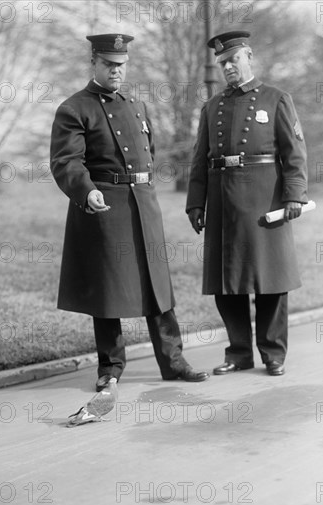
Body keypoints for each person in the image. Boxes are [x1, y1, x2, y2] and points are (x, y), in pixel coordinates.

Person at [50, 33, 209, 391]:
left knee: (158, 288)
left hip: (144, 203)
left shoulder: (136, 105)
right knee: (108, 292)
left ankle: (174, 361)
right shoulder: (74, 109)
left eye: (121, 65)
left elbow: (148, 152)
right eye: (108, 64)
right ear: (93, 63)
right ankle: (110, 368)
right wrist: (86, 191)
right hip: (105, 207)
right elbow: (65, 162)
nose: (116, 71)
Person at [186, 31, 308, 377]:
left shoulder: (276, 99)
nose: (228, 68)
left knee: (271, 281)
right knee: (227, 284)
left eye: (233, 60)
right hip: (223, 203)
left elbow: (295, 154)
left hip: (264, 201)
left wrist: (294, 195)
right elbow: (199, 160)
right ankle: (238, 353)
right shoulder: (212, 107)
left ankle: (273, 353)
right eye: (222, 63)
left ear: (249, 57)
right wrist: (196, 204)